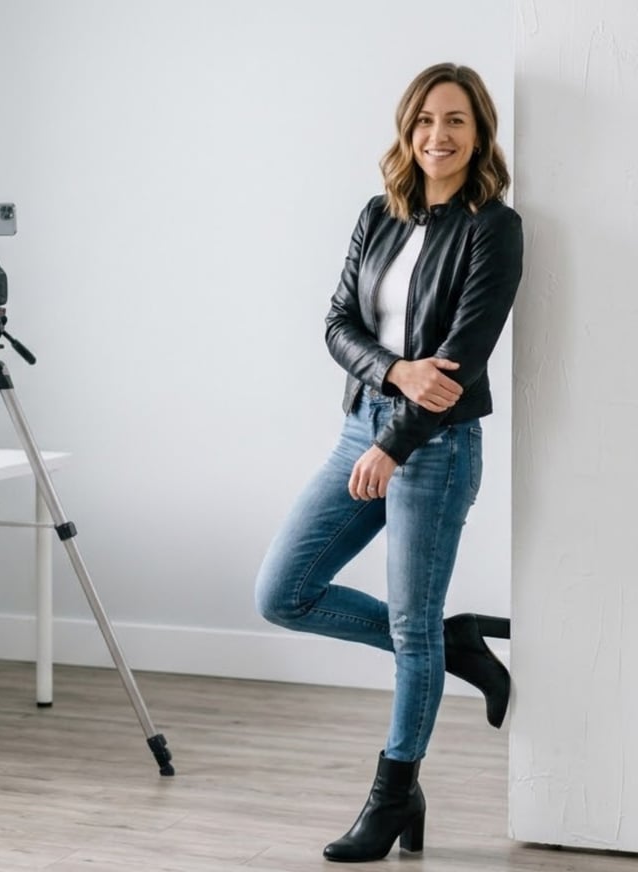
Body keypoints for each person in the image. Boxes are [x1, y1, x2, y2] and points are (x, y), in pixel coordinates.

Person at [254, 62, 523, 863]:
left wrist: (392, 443)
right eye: (424, 120)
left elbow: (462, 360)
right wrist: (394, 373)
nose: (438, 135)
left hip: (436, 447)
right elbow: (337, 323)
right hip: (362, 425)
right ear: (407, 131)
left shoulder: (495, 228)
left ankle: (394, 793)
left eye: (456, 120)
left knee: (410, 629)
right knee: (283, 593)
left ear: (480, 134)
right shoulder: (379, 214)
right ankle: (454, 642)